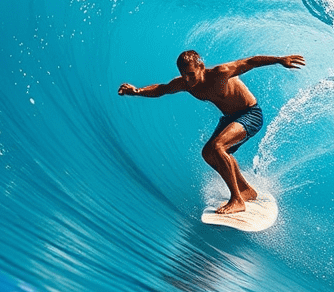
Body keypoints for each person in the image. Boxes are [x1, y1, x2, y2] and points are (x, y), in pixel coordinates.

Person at [119, 50, 305, 214]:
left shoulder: (220, 73)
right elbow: (163, 89)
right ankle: (245, 190)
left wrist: (280, 59)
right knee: (208, 154)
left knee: (217, 147)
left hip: (250, 114)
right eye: (183, 75)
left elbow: (250, 62)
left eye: (191, 74)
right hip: (230, 118)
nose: (187, 80)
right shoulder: (185, 83)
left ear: (201, 67)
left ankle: (237, 200)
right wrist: (137, 91)